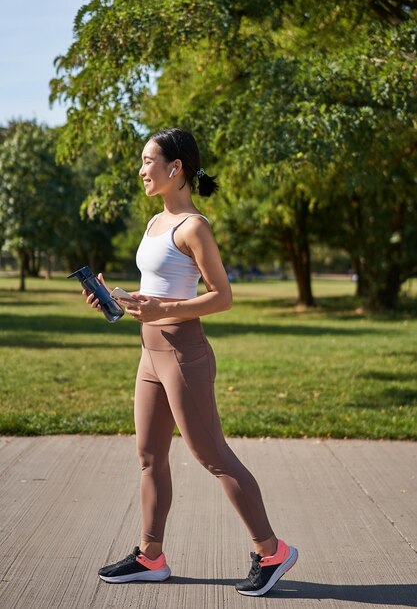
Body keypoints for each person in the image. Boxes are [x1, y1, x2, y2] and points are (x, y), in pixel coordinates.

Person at [84, 128, 298, 596]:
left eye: (148, 161)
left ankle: (272, 551)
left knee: (211, 455)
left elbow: (223, 297)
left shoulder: (194, 226)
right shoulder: (154, 223)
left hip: (184, 355)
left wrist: (165, 311)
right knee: (149, 456)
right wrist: (115, 300)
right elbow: (158, 291)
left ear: (174, 167)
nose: (141, 170)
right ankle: (151, 556)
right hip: (149, 353)